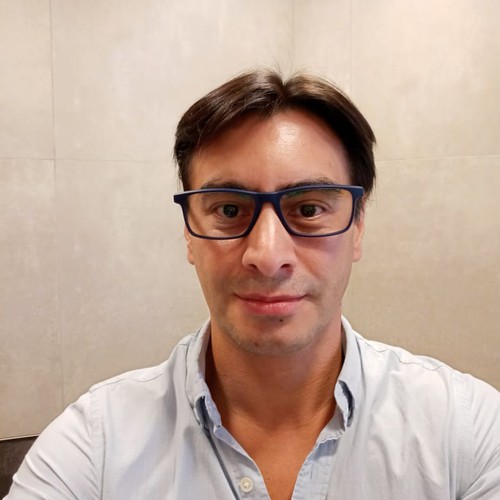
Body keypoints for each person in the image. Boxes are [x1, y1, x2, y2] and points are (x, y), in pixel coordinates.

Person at [6, 69, 500, 500]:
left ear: (358, 227)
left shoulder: (465, 431)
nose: (266, 256)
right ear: (188, 233)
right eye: (228, 209)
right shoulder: (94, 446)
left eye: (308, 209)